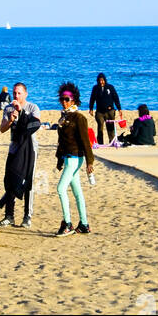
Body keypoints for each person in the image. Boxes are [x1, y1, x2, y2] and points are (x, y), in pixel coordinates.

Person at [0, 82, 41, 229]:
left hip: (29, 150)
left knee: (28, 182)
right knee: (9, 181)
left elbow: (36, 124)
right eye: (14, 93)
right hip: (14, 149)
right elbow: (2, 129)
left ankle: (27, 216)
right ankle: (9, 216)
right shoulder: (8, 109)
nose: (16, 95)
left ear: (25, 94)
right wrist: (11, 120)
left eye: (19, 93)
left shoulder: (32, 108)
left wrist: (22, 112)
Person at [54, 81, 94, 236]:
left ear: (74, 100)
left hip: (75, 158)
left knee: (60, 189)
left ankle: (68, 224)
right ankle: (84, 224)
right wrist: (59, 159)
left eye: (67, 99)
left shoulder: (79, 118)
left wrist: (90, 161)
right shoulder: (64, 118)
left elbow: (86, 141)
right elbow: (61, 142)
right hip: (67, 157)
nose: (64, 102)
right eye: (62, 99)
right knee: (77, 192)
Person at [88, 73, 122, 145]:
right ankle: (100, 143)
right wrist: (91, 108)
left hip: (110, 111)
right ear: (98, 81)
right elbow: (92, 99)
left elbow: (116, 98)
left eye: (102, 80)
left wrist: (119, 109)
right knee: (100, 127)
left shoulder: (110, 87)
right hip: (99, 112)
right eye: (100, 80)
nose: (101, 82)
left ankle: (112, 142)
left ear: (105, 80)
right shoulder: (95, 88)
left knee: (110, 127)